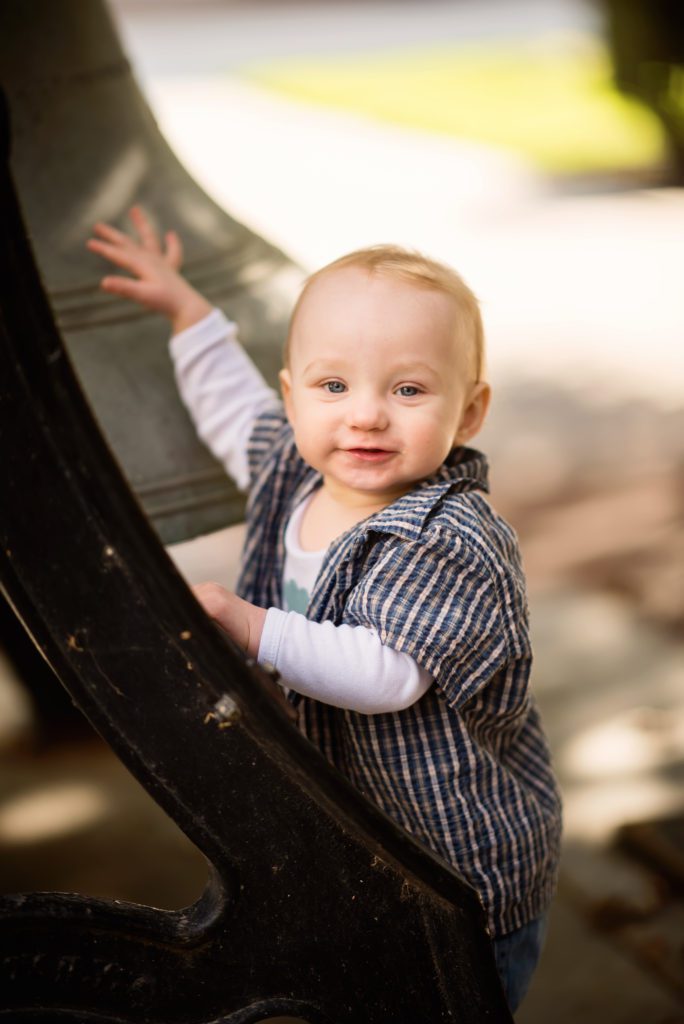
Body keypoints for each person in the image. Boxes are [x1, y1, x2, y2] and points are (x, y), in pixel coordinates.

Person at [87, 207, 562, 1012]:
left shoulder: (446, 537)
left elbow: (387, 674)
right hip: (358, 841)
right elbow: (232, 409)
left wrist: (251, 625)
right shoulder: (295, 470)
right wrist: (188, 314)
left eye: (408, 389)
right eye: (334, 385)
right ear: (296, 396)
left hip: (455, 870)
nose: (366, 413)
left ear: (470, 412)